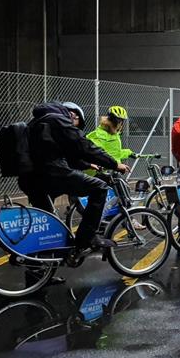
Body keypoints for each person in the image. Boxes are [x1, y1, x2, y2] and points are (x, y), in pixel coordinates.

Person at [19, 101, 130, 249]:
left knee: (48, 218)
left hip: (31, 179)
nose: (74, 127)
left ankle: (40, 265)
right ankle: (87, 238)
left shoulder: (40, 122)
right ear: (73, 115)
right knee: (99, 188)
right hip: (52, 174)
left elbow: (65, 154)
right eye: (75, 124)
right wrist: (115, 164)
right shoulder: (58, 120)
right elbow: (84, 146)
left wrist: (87, 165)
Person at [85, 105, 135, 175]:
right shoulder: (99, 134)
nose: (121, 125)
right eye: (120, 121)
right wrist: (115, 165)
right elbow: (96, 154)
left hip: (111, 170)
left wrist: (129, 153)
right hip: (95, 173)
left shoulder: (114, 134)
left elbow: (114, 153)